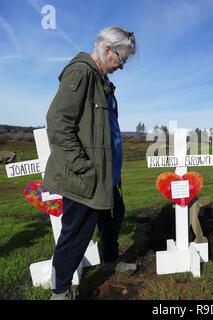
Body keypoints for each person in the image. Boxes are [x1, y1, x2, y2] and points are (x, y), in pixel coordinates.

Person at [44, 26, 137, 300]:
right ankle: (60, 292)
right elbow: (58, 123)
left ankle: (109, 261)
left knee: (112, 219)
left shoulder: (103, 82)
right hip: (86, 178)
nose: (122, 66)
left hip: (108, 176)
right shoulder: (81, 72)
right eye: (122, 59)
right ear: (108, 49)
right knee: (76, 234)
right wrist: (82, 166)